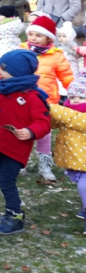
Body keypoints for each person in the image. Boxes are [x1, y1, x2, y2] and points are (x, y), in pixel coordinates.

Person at [0, 50, 51, 236]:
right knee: (0, 179)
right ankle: (12, 212)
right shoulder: (2, 90)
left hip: (16, 147)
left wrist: (30, 131)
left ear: (17, 72)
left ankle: (15, 216)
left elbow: (43, 122)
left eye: (3, 69)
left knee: (7, 180)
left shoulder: (32, 96)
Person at [20, 14, 74, 181]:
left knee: (43, 133)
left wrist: (73, 93)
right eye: (31, 34)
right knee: (23, 131)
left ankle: (44, 164)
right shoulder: (21, 49)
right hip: (22, 99)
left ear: (48, 38)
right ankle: (20, 162)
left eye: (38, 35)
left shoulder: (56, 55)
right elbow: (10, 71)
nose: (33, 38)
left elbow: (67, 76)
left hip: (46, 101)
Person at [50, 74, 86, 236]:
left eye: (81, 97)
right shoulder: (66, 111)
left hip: (83, 160)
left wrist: (51, 108)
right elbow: (54, 122)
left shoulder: (73, 114)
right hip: (76, 159)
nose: (76, 100)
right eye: (72, 96)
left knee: (84, 185)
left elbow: (74, 119)